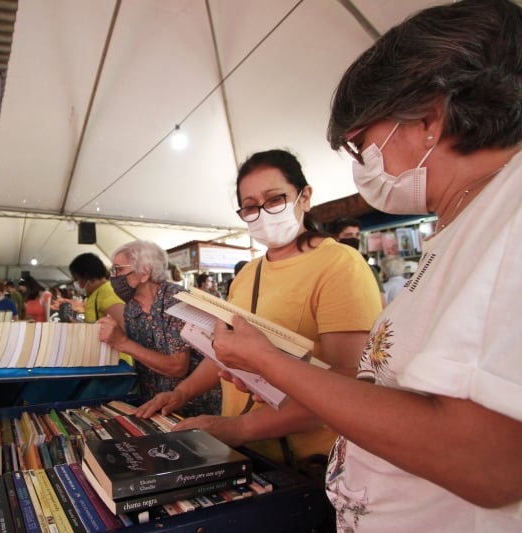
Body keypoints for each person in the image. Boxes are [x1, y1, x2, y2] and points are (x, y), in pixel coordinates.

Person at [210, 1, 522, 530]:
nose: (362, 166)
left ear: (427, 119)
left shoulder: (510, 212)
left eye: (362, 144)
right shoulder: (467, 220)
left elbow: (488, 460)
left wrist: (270, 362)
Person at [137, 149, 382, 476]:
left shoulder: (340, 265)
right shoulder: (247, 274)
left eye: (274, 199)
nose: (263, 213)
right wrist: (180, 393)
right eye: (250, 206)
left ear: (304, 196)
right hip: (246, 454)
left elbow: (350, 387)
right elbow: (225, 353)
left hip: (310, 463)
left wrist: (239, 428)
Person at [98, 240, 221, 417]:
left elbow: (177, 367)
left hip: (193, 409)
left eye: (119, 269)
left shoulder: (178, 302)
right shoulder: (132, 307)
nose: (113, 277)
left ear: (145, 273)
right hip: (154, 407)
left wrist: (122, 342)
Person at [326, 216, 387, 307]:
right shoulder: (327, 268)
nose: (355, 239)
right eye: (349, 235)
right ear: (335, 239)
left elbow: (382, 302)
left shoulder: (367, 268)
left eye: (357, 235)